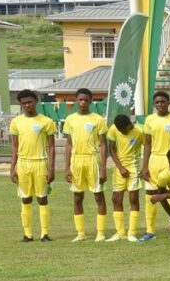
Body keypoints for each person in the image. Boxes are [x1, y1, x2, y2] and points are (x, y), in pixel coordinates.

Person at [9, 89, 57, 243]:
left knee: (42, 198)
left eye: (30, 102)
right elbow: (15, 147)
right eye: (24, 103)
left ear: (36, 101)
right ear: (20, 105)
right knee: (25, 199)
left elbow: (51, 147)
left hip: (40, 163)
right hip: (23, 164)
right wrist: (12, 167)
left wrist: (51, 168)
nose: (27, 105)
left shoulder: (46, 122)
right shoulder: (16, 122)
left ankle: (45, 234)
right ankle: (28, 234)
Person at [63, 88, 109, 242]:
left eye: (86, 100)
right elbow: (69, 144)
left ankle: (101, 232)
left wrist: (103, 168)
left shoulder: (98, 119)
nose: (83, 102)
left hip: (93, 160)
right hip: (77, 161)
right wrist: (67, 167)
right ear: (76, 100)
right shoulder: (70, 119)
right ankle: (81, 233)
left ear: (91, 101)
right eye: (80, 99)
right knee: (77, 197)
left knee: (98, 196)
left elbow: (103, 145)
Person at [140, 91, 170, 242]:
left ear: (168, 103)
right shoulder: (149, 120)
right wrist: (145, 166)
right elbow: (147, 144)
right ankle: (150, 231)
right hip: (154, 160)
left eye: (163, 102)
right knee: (150, 195)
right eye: (157, 102)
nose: (160, 104)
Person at [106, 114, 144, 242]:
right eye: (120, 130)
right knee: (116, 199)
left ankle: (132, 233)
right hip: (119, 168)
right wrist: (120, 167)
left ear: (129, 125)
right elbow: (111, 149)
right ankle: (120, 232)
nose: (122, 132)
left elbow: (148, 146)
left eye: (124, 130)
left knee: (133, 198)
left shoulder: (139, 132)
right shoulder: (113, 129)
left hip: (133, 168)